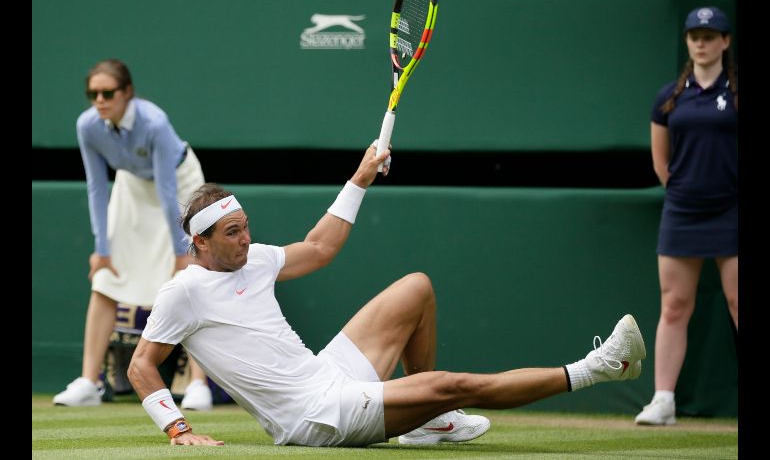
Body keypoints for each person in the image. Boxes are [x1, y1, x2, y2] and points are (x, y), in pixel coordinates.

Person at [127, 143, 647, 446]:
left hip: (328, 375)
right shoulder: (183, 292)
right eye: (233, 234)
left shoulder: (255, 258)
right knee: (453, 383)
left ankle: (427, 423)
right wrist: (177, 428)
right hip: (313, 418)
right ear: (200, 242)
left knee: (415, 289)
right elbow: (141, 366)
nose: (246, 240)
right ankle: (599, 369)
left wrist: (360, 178)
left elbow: (319, 246)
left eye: (246, 227)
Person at [53, 59, 213, 410]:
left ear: (127, 93)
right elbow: (96, 187)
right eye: (92, 94)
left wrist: (179, 251)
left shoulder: (153, 122)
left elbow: (168, 190)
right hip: (131, 186)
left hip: (180, 182)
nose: (99, 100)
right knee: (105, 278)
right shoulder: (88, 126)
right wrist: (102, 249)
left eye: (107, 93)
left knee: (191, 280)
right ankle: (88, 382)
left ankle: (199, 385)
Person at [635, 7, 738, 426]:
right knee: (675, 306)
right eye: (695, 34)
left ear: (725, 42)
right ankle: (663, 401)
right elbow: (662, 163)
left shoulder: (736, 93)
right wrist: (684, 191)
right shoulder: (668, 97)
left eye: (710, 35)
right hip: (683, 210)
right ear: (687, 40)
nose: (701, 41)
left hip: (732, 209)